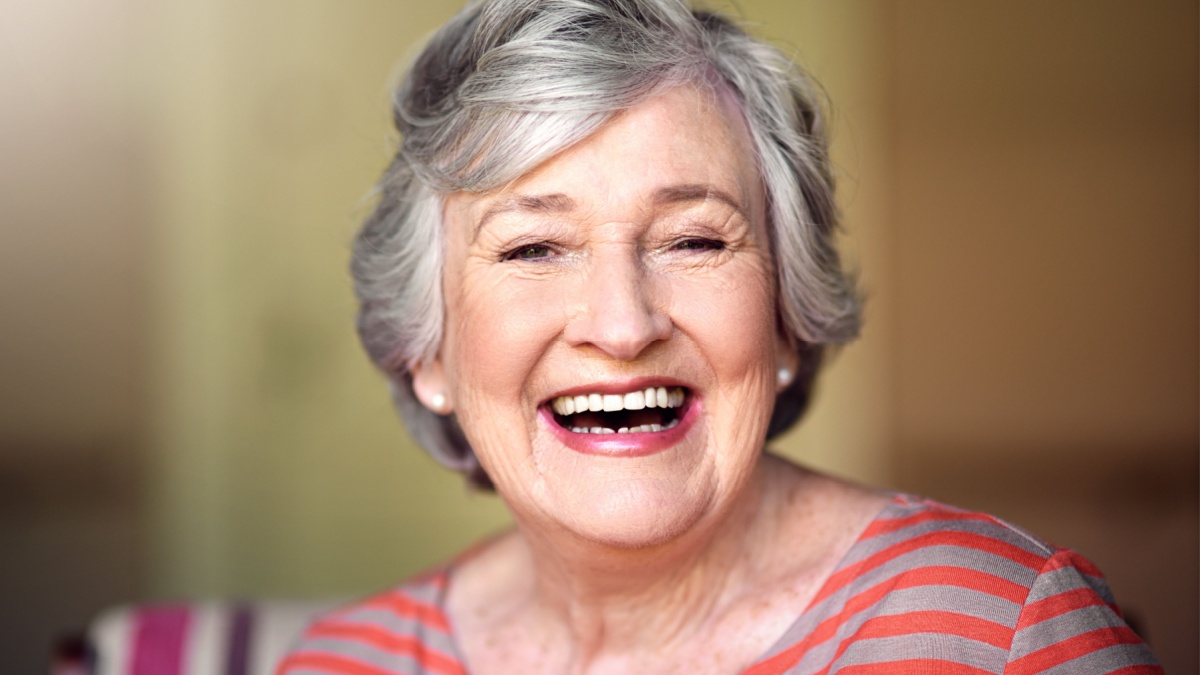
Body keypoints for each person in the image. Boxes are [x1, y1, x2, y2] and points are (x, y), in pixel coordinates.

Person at [277, 0, 1162, 672]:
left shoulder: (999, 628)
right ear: (427, 351)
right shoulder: (341, 661)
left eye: (695, 240)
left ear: (786, 317)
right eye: (534, 247)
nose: (623, 326)